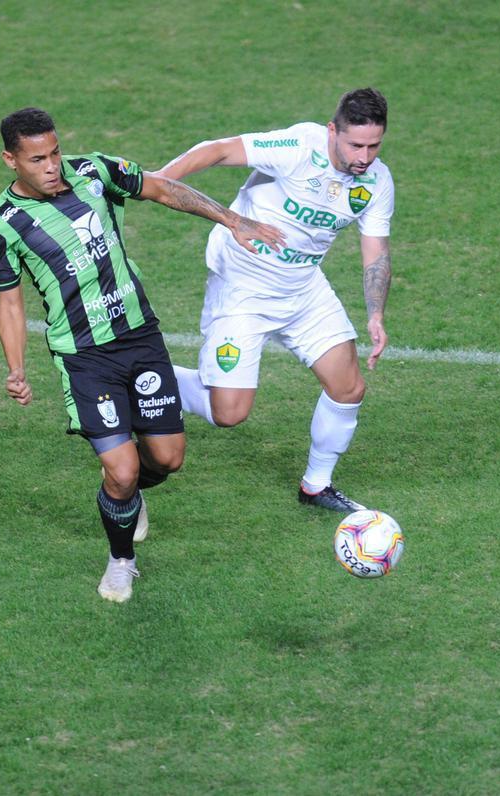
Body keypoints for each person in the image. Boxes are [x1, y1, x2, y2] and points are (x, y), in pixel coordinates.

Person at [0, 107, 284, 603]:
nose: (52, 165)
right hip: (84, 356)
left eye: (55, 152)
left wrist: (232, 219)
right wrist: (16, 369)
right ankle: (122, 559)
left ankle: (128, 494)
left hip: (140, 337)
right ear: (11, 160)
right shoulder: (4, 224)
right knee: (120, 468)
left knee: (166, 459)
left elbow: (163, 188)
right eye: (37, 159)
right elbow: (9, 301)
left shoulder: (96, 172)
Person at [151, 87, 395, 513]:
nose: (365, 156)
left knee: (348, 387)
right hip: (243, 285)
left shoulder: (376, 182)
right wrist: (155, 180)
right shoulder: (299, 148)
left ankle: (316, 486)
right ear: (332, 131)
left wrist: (376, 315)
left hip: (302, 288)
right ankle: (143, 378)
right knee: (228, 413)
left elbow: (376, 251)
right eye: (356, 144)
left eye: (374, 145)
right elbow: (219, 150)